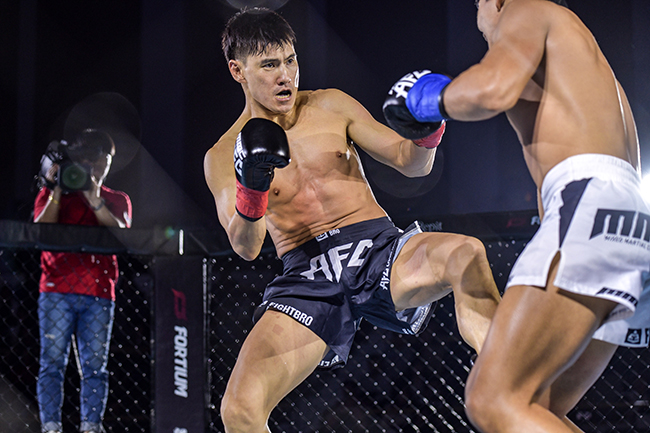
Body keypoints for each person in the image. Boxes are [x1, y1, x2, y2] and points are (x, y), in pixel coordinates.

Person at [204, 7, 502, 433]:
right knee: (239, 410)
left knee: (466, 253)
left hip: (377, 249)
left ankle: (509, 382)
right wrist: (251, 187)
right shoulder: (221, 155)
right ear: (238, 71)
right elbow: (246, 246)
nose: (285, 76)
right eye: (269, 65)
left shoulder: (330, 104)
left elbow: (411, 163)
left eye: (290, 60)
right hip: (307, 277)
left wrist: (427, 126)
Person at [383, 0, 650, 432]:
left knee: (491, 399)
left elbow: (491, 90)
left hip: (588, 204)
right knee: (535, 406)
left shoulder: (526, 10)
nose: (481, 23)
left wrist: (426, 98)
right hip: (626, 222)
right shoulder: (577, 60)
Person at [34, 128, 132, 433]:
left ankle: (91, 426)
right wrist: (57, 189)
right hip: (56, 290)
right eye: (90, 159)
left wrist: (94, 198)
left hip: (99, 292)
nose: (97, 165)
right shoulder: (54, 194)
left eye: (103, 160)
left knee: (95, 368)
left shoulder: (117, 199)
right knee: (52, 364)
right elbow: (40, 230)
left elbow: (122, 234)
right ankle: (51, 427)